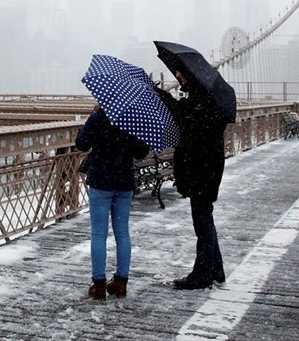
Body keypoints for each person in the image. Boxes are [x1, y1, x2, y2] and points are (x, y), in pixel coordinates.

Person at [157, 70, 229, 290]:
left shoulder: (201, 106)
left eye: (184, 77)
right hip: (208, 169)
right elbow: (184, 117)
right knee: (205, 218)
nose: (180, 79)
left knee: (202, 223)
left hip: (201, 171)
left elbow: (183, 120)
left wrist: (162, 95)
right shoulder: (212, 105)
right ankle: (216, 270)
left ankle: (202, 274)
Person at [75, 104, 151, 300]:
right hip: (124, 182)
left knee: (98, 233)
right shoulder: (133, 118)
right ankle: (120, 282)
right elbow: (141, 152)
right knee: (122, 232)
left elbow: (81, 144)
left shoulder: (98, 118)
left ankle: (99, 284)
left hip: (101, 181)